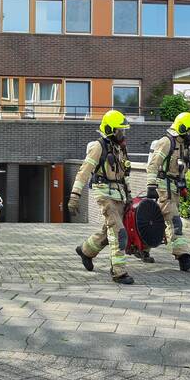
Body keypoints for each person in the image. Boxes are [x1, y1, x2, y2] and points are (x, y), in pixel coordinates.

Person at [69, 110, 135, 284]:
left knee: (109, 233)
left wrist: (129, 196)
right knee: (119, 232)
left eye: (124, 130)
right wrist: (75, 196)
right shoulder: (98, 147)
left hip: (119, 195)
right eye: (120, 130)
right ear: (109, 129)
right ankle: (119, 272)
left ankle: (85, 251)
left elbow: (124, 174)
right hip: (104, 194)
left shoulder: (121, 148)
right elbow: (84, 172)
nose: (123, 134)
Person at [145, 112, 190, 272]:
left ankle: (143, 248)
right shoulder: (166, 142)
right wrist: (151, 185)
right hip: (164, 189)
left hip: (175, 189)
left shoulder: (184, 145)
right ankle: (184, 258)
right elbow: (153, 165)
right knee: (174, 222)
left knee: (158, 223)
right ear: (182, 128)